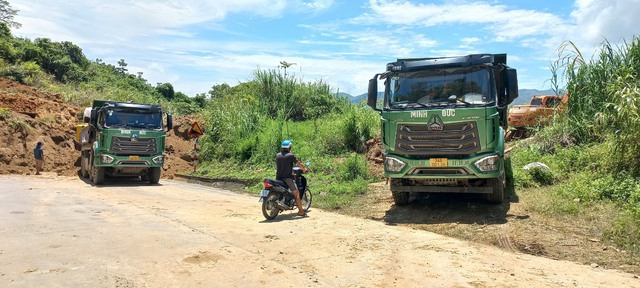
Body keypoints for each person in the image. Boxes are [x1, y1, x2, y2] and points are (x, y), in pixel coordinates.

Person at [276, 140, 308, 217]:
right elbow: (298, 163)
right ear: (289, 147)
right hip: (287, 178)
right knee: (296, 193)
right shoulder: (291, 156)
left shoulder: (278, 155)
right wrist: (304, 169)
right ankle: (301, 211)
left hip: (278, 178)